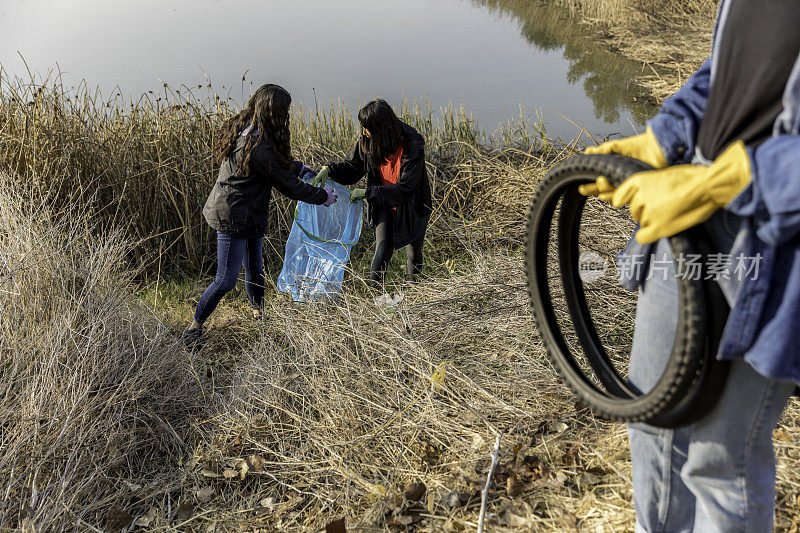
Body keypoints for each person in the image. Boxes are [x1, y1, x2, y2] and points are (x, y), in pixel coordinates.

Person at [580, 1, 800, 530]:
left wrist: (720, 182)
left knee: (722, 462)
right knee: (652, 415)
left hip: (776, 246)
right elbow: (734, 67)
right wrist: (664, 135)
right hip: (693, 219)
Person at [184, 84, 337, 344]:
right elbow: (286, 183)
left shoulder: (250, 129)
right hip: (233, 215)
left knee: (255, 268)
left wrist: (298, 166)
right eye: (285, 111)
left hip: (249, 211)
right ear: (272, 112)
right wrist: (323, 197)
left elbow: (274, 165)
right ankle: (193, 328)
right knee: (225, 280)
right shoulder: (257, 145)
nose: (287, 116)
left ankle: (258, 314)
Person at [322, 99, 431, 285]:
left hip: (411, 206)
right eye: (363, 127)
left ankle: (416, 292)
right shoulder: (367, 141)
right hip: (383, 203)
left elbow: (406, 187)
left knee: (414, 253)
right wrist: (329, 170)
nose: (364, 132)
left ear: (382, 128)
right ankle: (376, 298)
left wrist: (367, 193)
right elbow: (352, 169)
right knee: (383, 248)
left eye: (368, 128)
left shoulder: (412, 143)